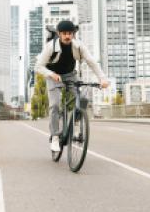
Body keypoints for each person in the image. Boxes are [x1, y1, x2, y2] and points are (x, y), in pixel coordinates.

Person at [35, 20, 109, 152]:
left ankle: (74, 123)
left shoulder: (79, 46)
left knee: (83, 100)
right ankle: (55, 137)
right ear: (59, 34)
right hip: (53, 75)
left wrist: (102, 79)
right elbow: (38, 67)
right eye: (64, 33)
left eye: (70, 33)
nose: (67, 36)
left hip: (70, 75)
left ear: (73, 34)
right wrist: (51, 74)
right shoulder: (50, 47)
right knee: (55, 105)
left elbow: (92, 62)